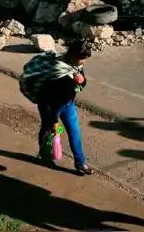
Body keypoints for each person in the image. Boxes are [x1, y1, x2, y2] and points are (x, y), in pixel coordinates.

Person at [19, 40, 95, 176]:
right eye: (82, 58)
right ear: (73, 54)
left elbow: (80, 84)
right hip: (50, 106)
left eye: (85, 59)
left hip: (67, 104)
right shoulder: (58, 71)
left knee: (74, 132)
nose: (83, 62)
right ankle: (45, 152)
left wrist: (83, 81)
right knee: (49, 129)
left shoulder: (74, 65)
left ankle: (80, 163)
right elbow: (50, 101)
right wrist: (54, 121)